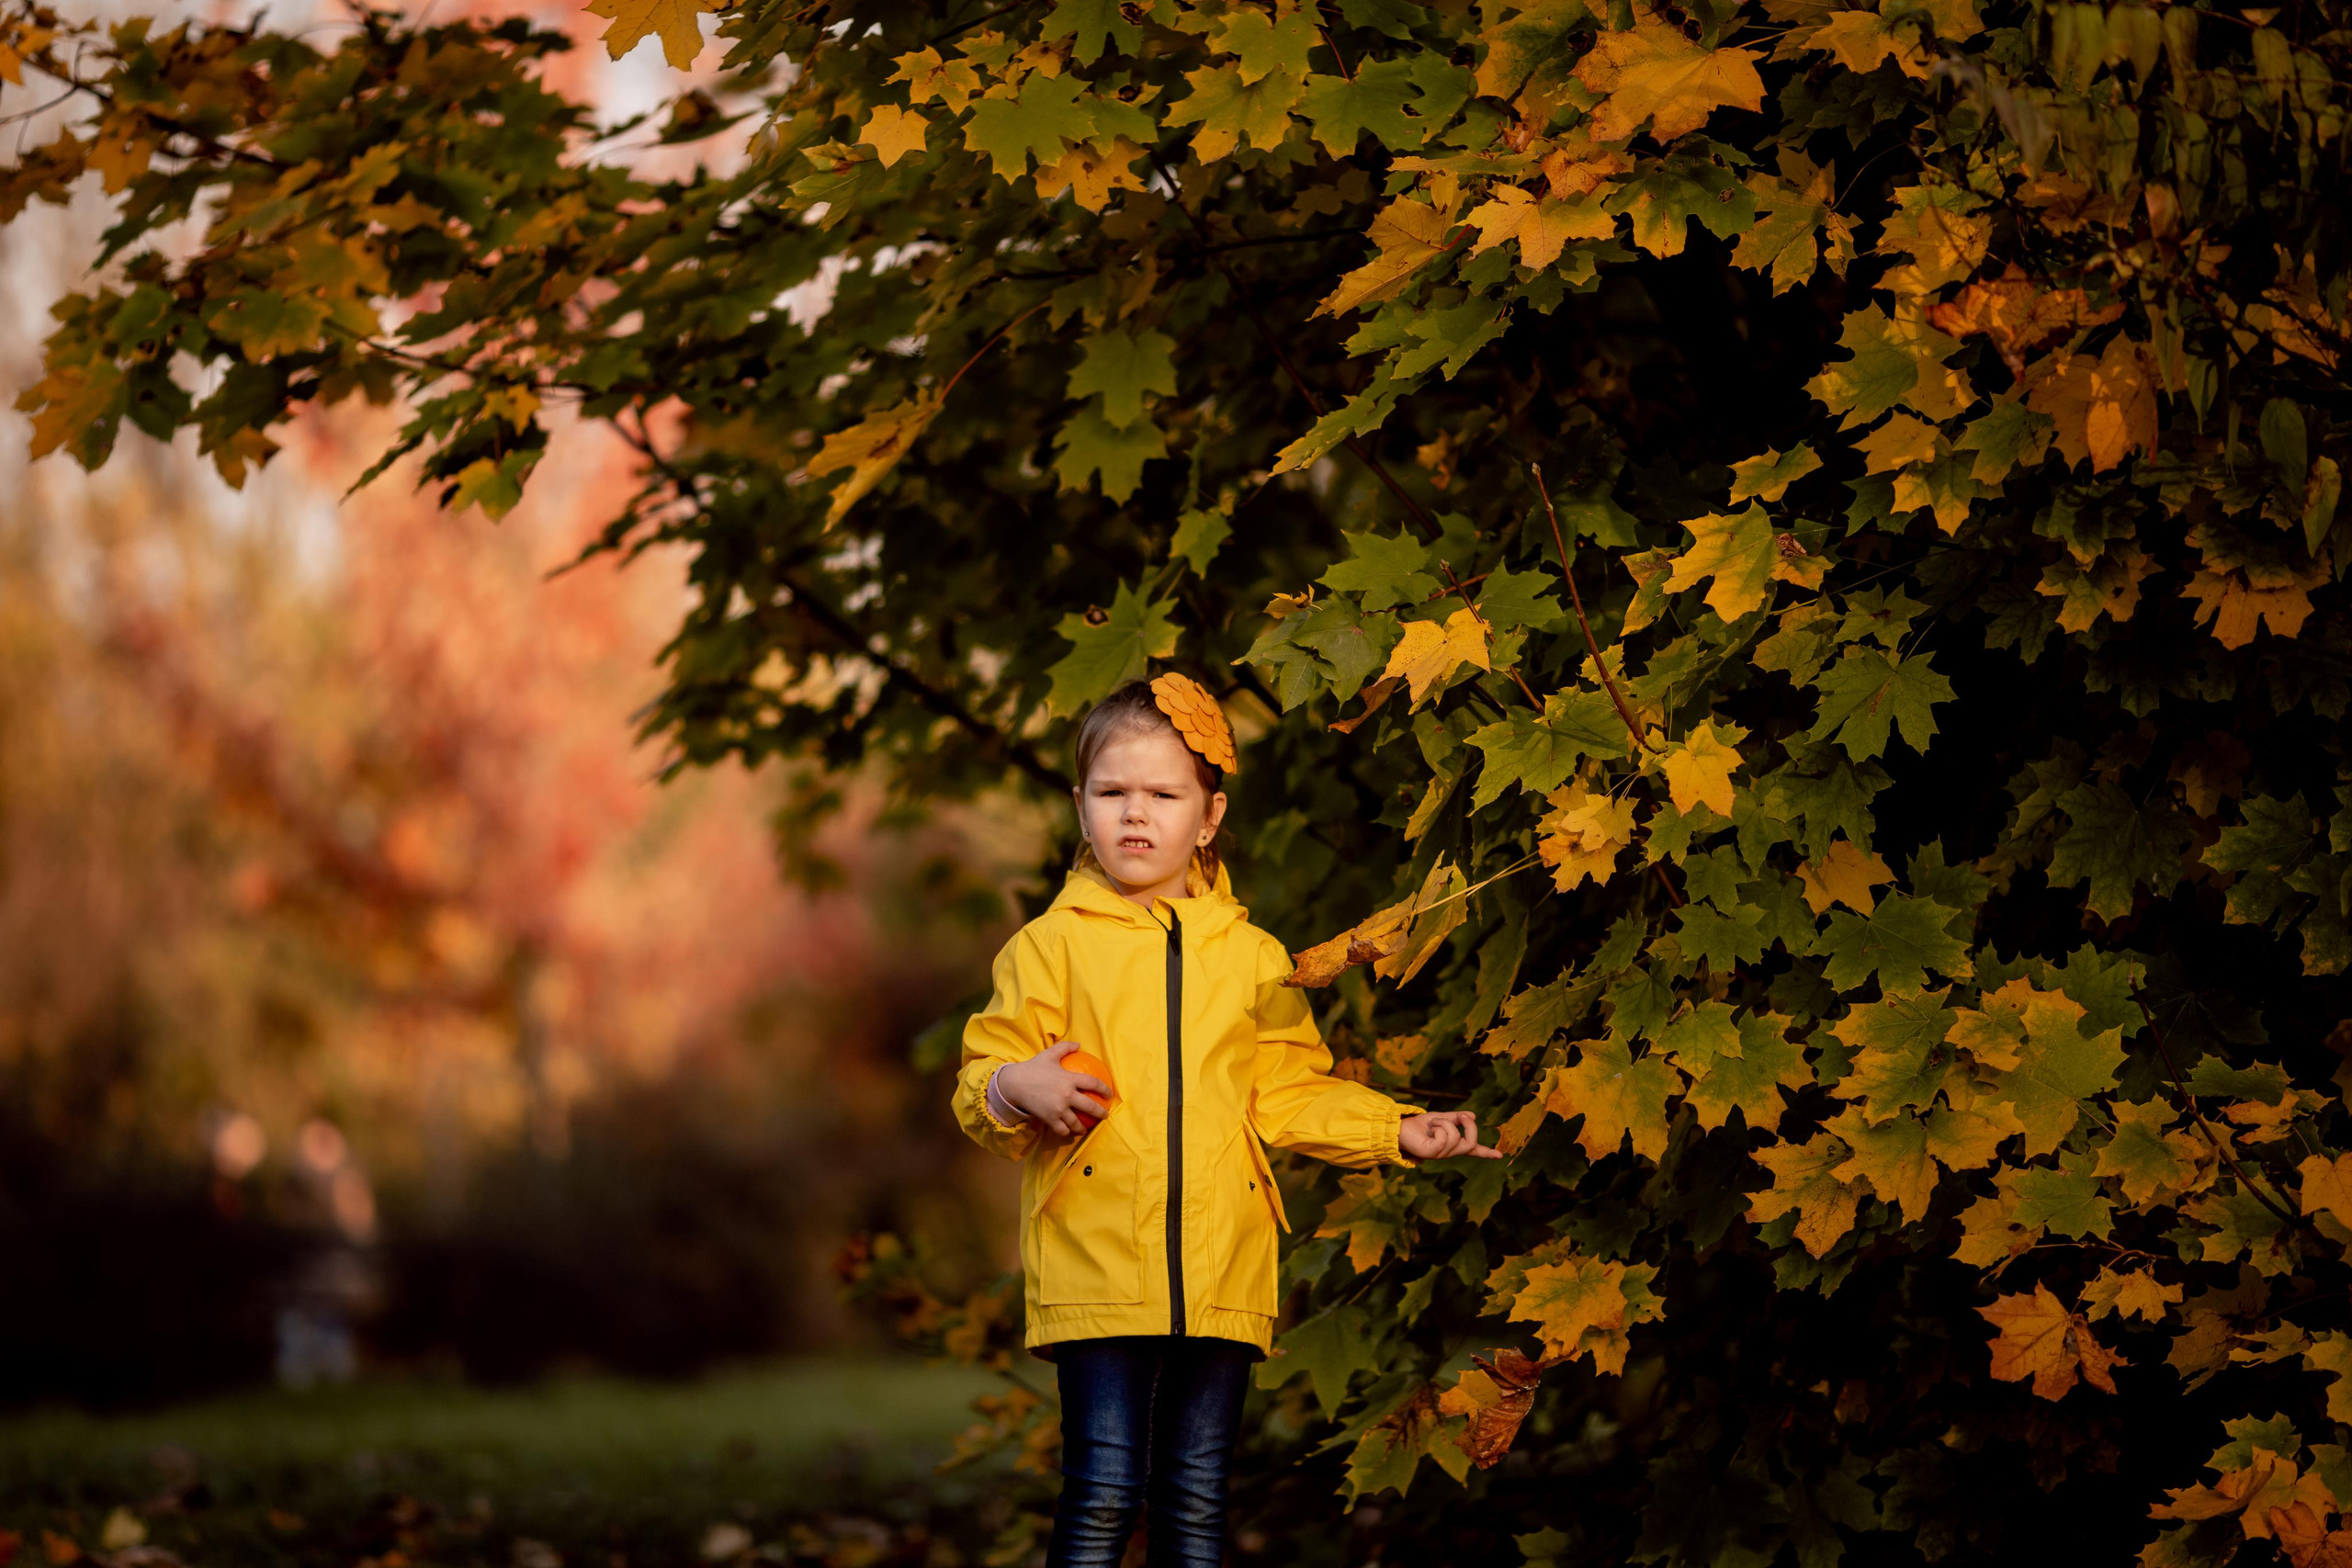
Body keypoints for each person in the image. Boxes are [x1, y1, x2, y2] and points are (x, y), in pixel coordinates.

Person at [954, 674, 1502, 1568]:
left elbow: (1285, 1089)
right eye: (1112, 793)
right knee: (1099, 1496)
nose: (1136, 815)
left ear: (1206, 817)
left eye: (1162, 795)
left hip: (1223, 1265)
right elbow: (978, 1084)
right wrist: (1017, 1087)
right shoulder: (1048, 948)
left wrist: (1394, 1130)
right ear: (1080, 806)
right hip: (1094, 1261)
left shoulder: (1252, 959)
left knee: (1196, 1503)